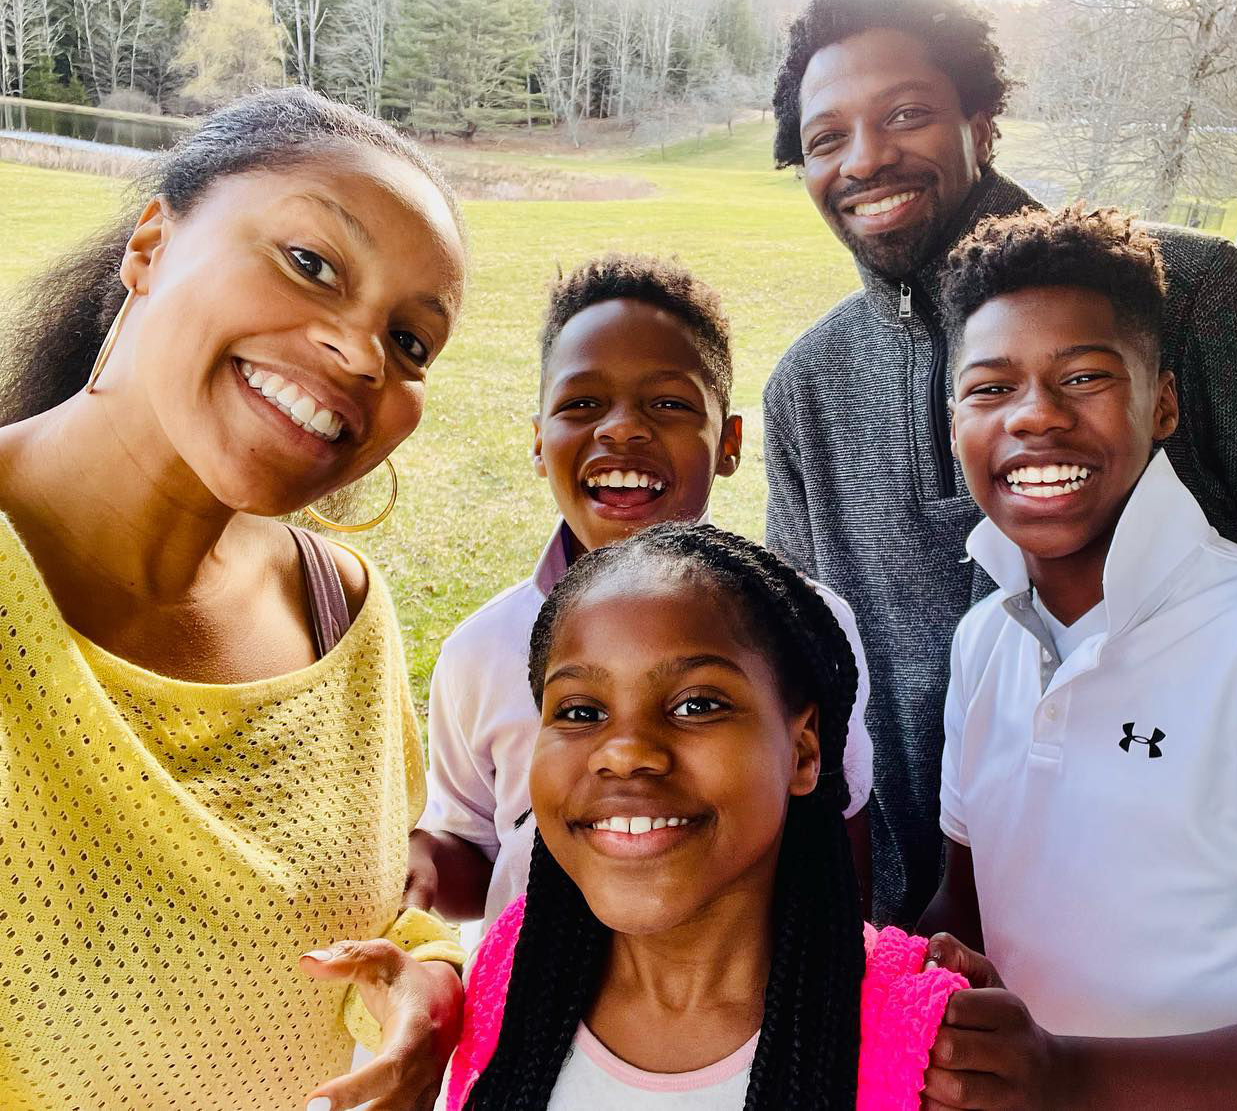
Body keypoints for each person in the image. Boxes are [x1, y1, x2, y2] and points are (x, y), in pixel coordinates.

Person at [763, 0, 1237, 927]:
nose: (867, 158)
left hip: (1198, 919)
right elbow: (807, 649)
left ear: (980, 121)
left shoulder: (1183, 292)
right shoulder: (806, 388)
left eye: (906, 114)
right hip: (929, 921)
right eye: (827, 138)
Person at [0, 89, 468, 1111]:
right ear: (152, 245)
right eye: (311, 262)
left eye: (411, 341)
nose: (362, 353)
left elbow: (372, 914)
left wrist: (430, 986)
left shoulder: (341, 609)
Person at [916, 206, 1237, 1109]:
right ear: (955, 417)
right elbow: (965, 910)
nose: (1035, 415)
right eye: (991, 387)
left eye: (1084, 376)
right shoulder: (985, 641)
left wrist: (1070, 1075)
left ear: (1162, 403)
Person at [405, 255, 873, 930]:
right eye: (581, 404)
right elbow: (477, 854)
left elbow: (838, 834)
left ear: (729, 443)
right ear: (538, 441)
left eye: (669, 404)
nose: (622, 428)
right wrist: (424, 861)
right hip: (533, 989)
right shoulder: (479, 652)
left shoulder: (809, 626)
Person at [444, 523, 971, 1111]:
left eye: (697, 705)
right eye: (581, 712)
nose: (624, 753)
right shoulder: (513, 968)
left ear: (803, 752)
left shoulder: (938, 1056)